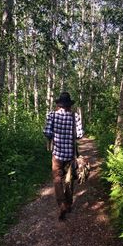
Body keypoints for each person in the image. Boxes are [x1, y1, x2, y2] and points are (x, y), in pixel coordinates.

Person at [43, 92, 84, 221]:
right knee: (69, 179)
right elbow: (80, 135)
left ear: (59, 104)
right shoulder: (75, 116)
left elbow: (47, 133)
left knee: (57, 179)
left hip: (57, 154)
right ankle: (69, 204)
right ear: (69, 105)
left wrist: (55, 134)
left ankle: (61, 204)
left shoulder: (52, 115)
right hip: (71, 154)